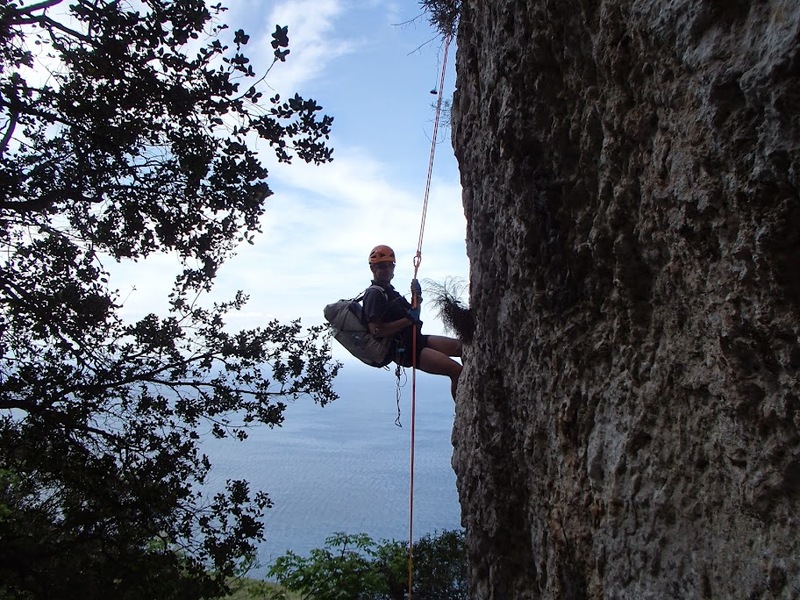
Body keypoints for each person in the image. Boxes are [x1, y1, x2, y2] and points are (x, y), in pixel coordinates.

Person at [362, 244, 463, 399]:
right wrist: (407, 320)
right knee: (456, 371)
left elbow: (414, 317)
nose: (387, 270)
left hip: (417, 339)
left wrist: (417, 299)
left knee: (462, 347)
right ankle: (463, 412)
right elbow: (376, 330)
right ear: (373, 269)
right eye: (382, 266)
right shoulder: (374, 294)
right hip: (406, 350)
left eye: (390, 265)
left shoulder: (390, 292)